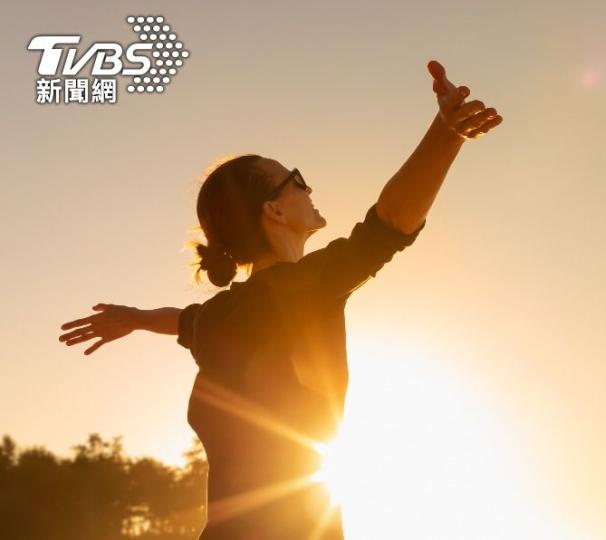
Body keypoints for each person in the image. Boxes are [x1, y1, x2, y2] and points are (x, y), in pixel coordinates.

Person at [58, 60, 502, 540]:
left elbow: (182, 321)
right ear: (273, 209)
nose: (308, 188)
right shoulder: (300, 289)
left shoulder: (219, 316)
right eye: (295, 178)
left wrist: (137, 318)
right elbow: (387, 226)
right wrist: (445, 134)